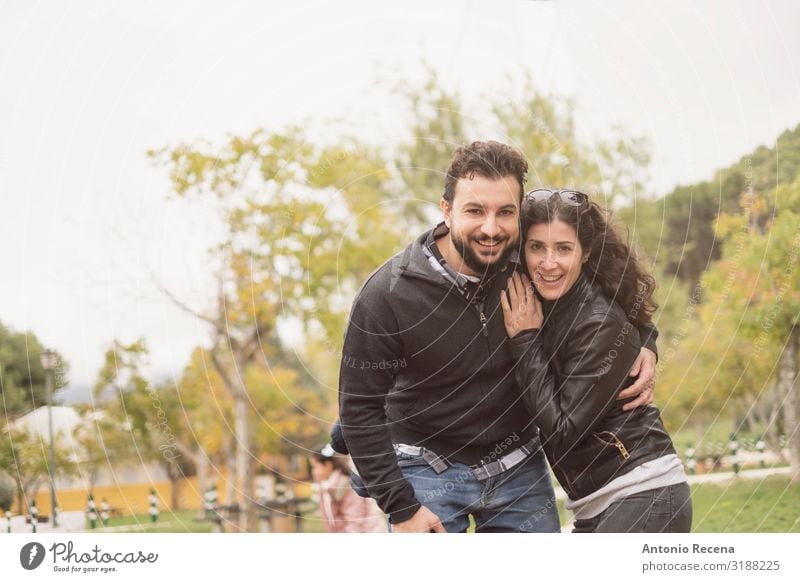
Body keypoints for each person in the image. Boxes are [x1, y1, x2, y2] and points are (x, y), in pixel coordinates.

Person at [338, 141, 660, 533]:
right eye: (475, 211)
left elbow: (603, 290)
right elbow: (359, 409)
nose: (491, 228)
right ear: (446, 210)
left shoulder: (534, 261)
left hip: (518, 467)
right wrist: (402, 508)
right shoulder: (388, 294)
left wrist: (645, 339)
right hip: (426, 470)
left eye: (505, 212)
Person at [501, 188, 692, 532]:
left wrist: (525, 341)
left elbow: (564, 432)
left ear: (585, 252)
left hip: (642, 492)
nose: (548, 263)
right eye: (536, 247)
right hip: (595, 504)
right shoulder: (539, 298)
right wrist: (648, 339)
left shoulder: (597, 321)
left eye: (563, 248)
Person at [309, 443, 386, 533]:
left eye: (315, 467)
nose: (313, 471)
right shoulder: (326, 487)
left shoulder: (346, 486)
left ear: (328, 465)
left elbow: (355, 522)